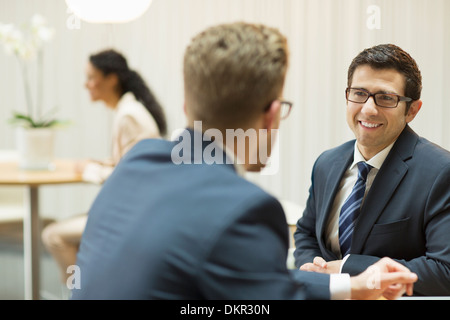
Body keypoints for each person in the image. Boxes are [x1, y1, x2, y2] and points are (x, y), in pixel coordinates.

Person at [71, 23, 417, 300]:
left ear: (187, 109)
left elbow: (257, 281)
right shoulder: (245, 210)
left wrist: (350, 287)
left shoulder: (136, 162)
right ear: (271, 115)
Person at [294, 44, 450, 296]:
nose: (368, 109)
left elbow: (445, 271)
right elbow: (306, 232)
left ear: (412, 110)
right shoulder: (326, 163)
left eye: (386, 98)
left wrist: (346, 268)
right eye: (359, 93)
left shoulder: (441, 172)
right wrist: (311, 266)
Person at [41, 49, 167, 286]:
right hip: (136, 209)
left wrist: (88, 171)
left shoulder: (129, 115)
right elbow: (131, 162)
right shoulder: (129, 110)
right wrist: (102, 163)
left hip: (131, 215)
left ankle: (81, 292)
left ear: (111, 79)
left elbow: (131, 176)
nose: (85, 84)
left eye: (91, 77)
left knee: (53, 235)